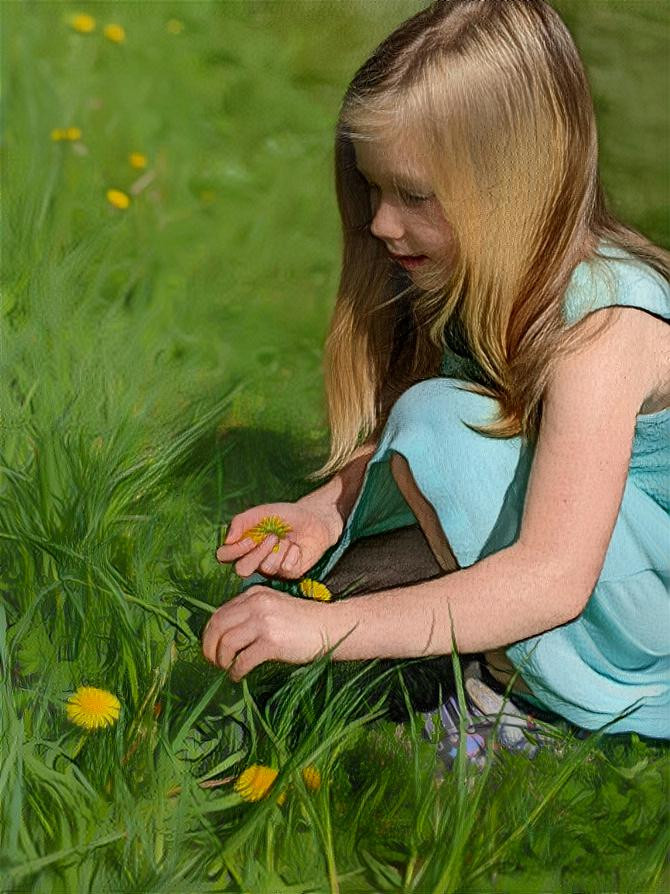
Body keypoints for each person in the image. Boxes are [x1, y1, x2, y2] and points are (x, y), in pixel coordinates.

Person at [202, 0, 670, 747]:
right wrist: (329, 506)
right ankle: (481, 647)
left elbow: (553, 576)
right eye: (375, 189)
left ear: (512, 183)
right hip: (625, 573)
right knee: (433, 424)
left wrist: (328, 628)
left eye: (414, 195)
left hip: (647, 621)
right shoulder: (485, 284)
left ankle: (522, 701)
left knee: (436, 426)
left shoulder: (603, 328)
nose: (382, 224)